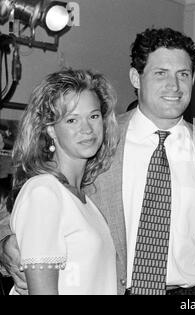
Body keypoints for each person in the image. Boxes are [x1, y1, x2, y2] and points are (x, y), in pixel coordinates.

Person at [0, 27, 195, 295]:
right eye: (161, 74)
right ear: (136, 77)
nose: (174, 86)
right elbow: (32, 200)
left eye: (183, 74)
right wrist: (5, 241)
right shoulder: (99, 138)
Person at [2, 69, 119, 294]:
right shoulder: (43, 192)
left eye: (93, 116)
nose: (87, 129)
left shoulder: (83, 200)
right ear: (50, 129)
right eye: (72, 119)